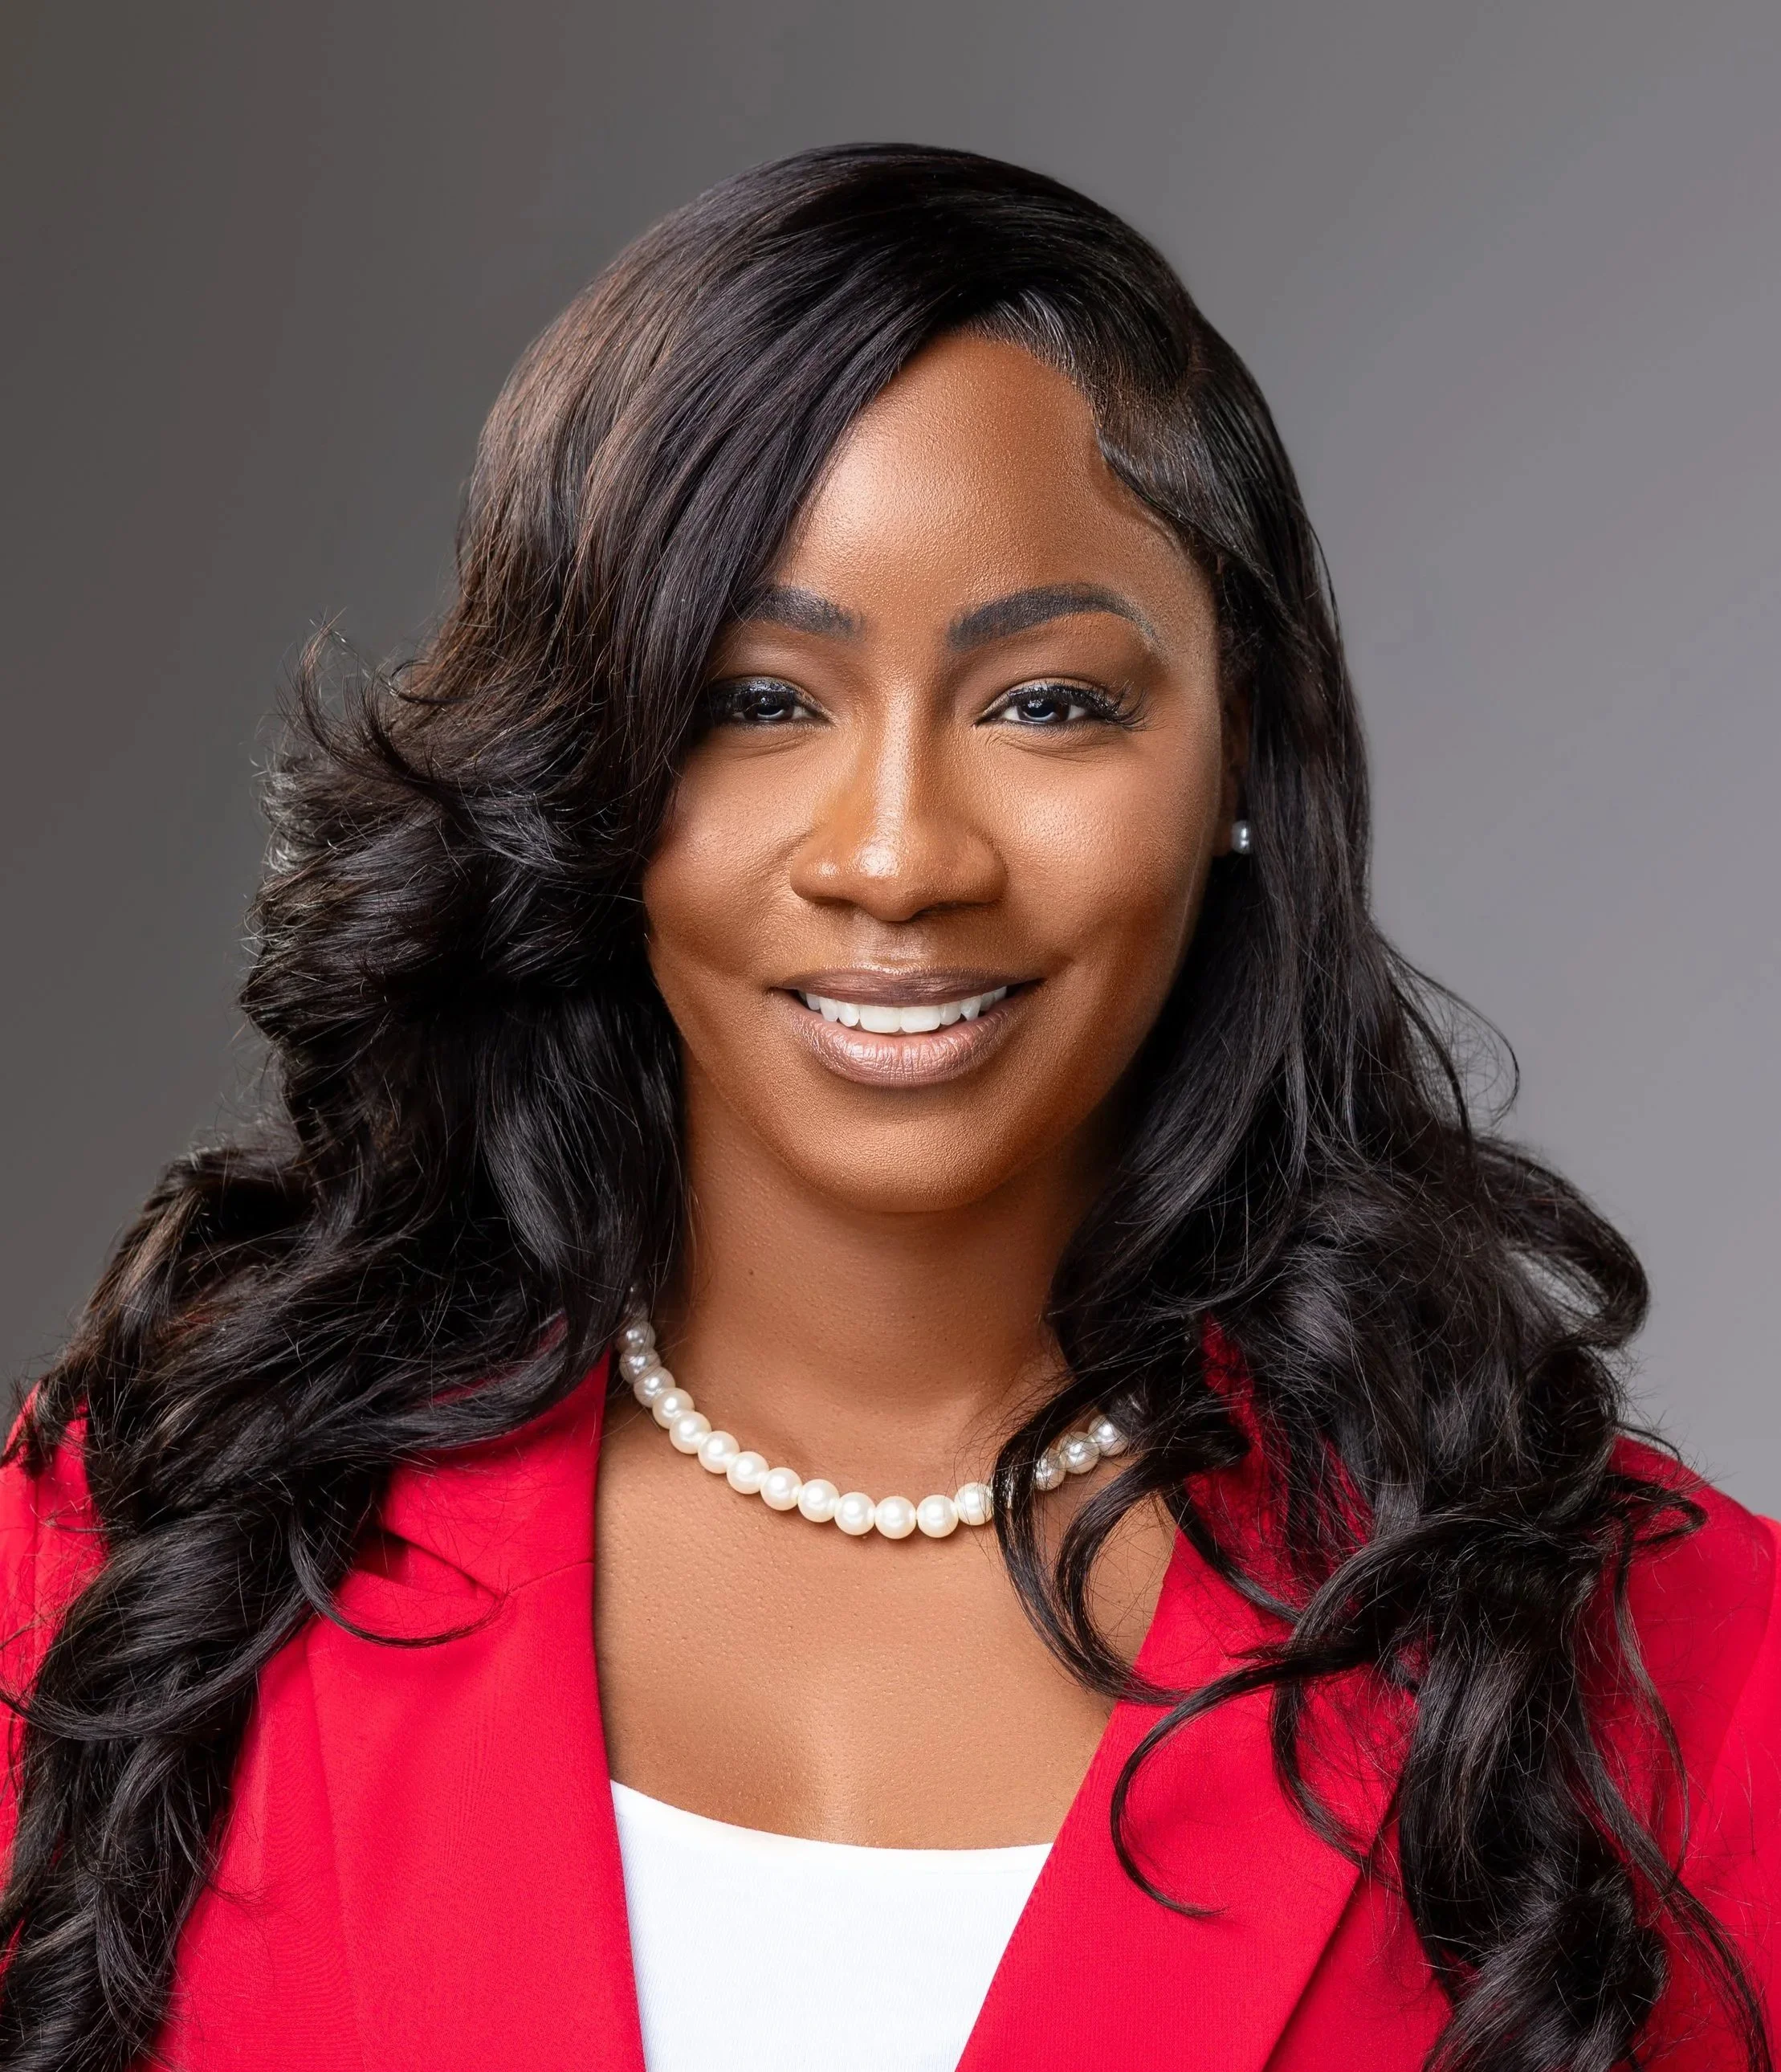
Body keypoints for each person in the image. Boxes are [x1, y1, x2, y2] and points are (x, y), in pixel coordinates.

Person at [0, 142, 1773, 2072]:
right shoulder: (137, 1554)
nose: (899, 857)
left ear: (1242, 748)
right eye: (755, 702)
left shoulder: (1684, 1680)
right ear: (580, 766)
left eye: (1046, 703)